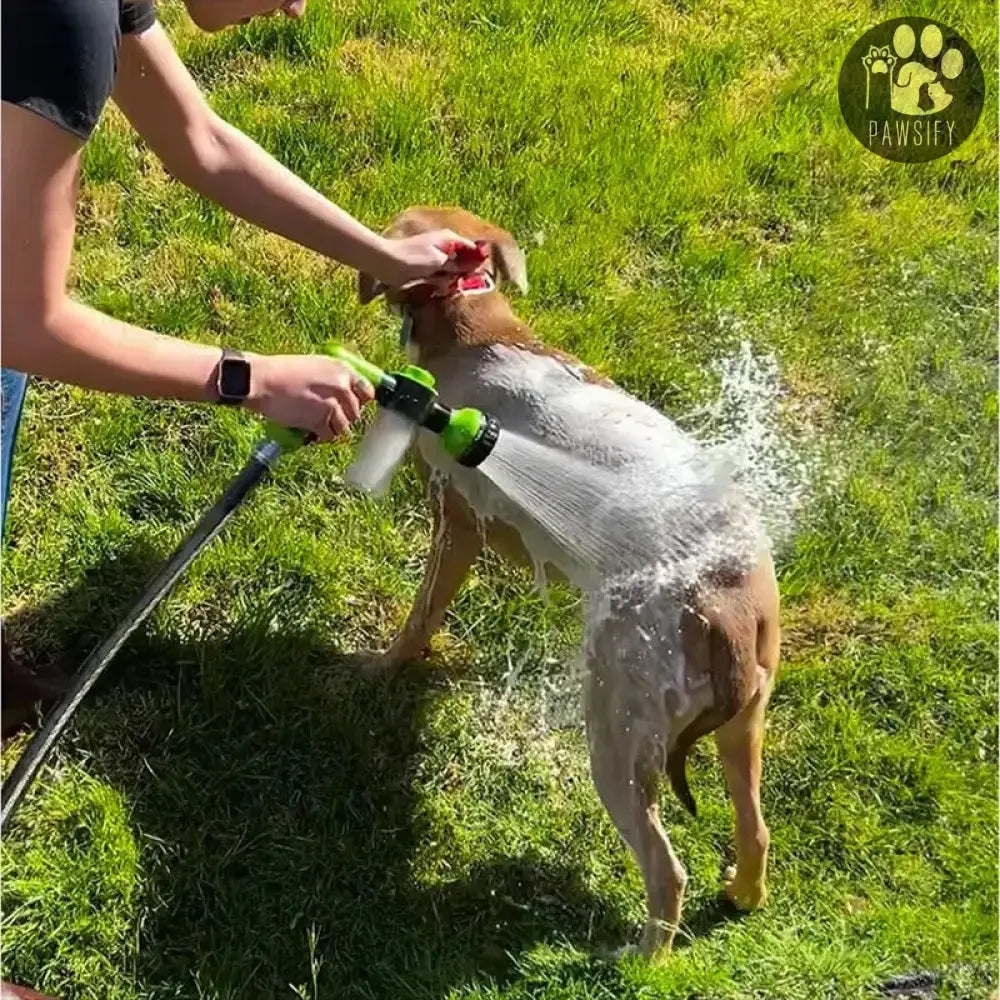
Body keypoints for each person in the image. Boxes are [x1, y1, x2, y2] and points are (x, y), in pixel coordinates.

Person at [1, 1, 474, 736]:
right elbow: (22, 323)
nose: (298, 8)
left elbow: (203, 143)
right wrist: (252, 380)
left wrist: (386, 258)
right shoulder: (58, 20)